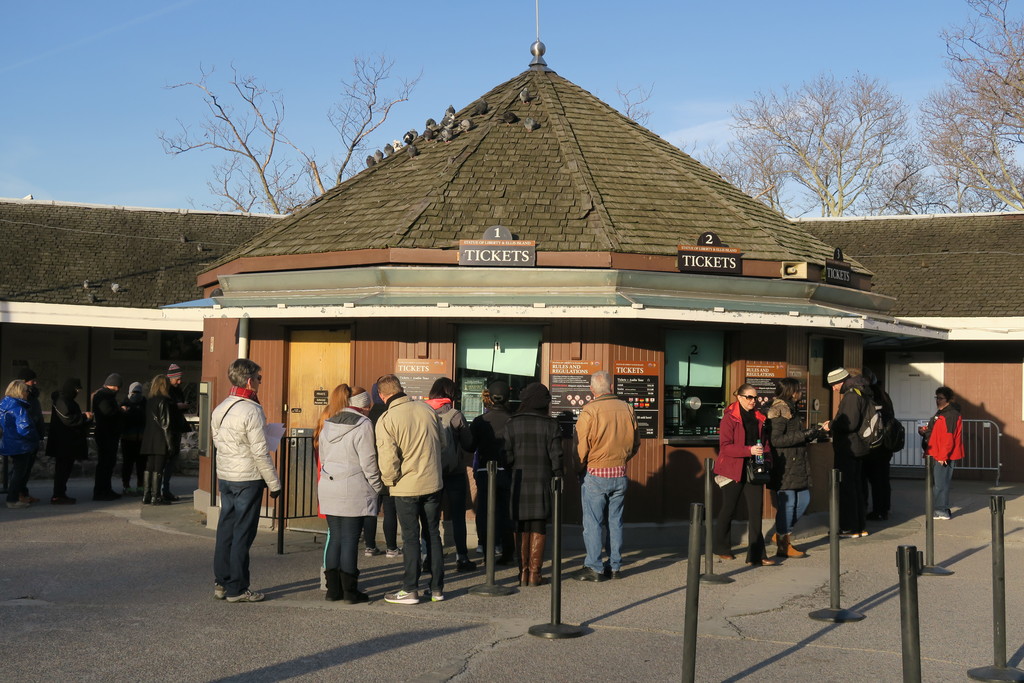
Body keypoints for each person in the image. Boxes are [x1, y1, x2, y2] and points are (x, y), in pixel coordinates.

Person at [211, 359, 282, 603]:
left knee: (226, 530)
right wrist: (274, 484)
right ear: (250, 380)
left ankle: (221, 582)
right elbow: (260, 452)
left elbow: (217, 441)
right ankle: (238, 588)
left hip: (227, 475)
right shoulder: (251, 410)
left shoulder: (221, 407)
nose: (261, 382)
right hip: (248, 478)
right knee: (242, 533)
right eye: (259, 378)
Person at [375, 374, 445, 605]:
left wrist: (390, 480)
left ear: (382, 395)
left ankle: (410, 589)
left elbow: (387, 459)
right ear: (400, 388)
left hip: (406, 486)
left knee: (411, 537)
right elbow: (442, 442)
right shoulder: (427, 410)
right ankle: (436, 589)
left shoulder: (387, 419)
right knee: (433, 534)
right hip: (433, 481)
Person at [317, 384, 382, 603]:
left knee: (335, 537)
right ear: (364, 405)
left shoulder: (329, 422)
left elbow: (324, 457)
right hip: (354, 486)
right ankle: (350, 592)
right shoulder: (363, 424)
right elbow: (368, 461)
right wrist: (377, 485)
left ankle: (332, 590)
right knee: (350, 540)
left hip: (329, 485)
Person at [574, 371, 640, 581]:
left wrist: (578, 467)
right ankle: (615, 567)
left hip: (595, 472)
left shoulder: (590, 410)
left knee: (593, 523)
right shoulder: (627, 408)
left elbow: (580, 447)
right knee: (615, 521)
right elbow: (635, 442)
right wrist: (622, 458)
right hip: (619, 471)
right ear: (611, 387)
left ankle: (594, 567)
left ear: (592, 390)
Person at [504, 382, 562, 586]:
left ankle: (522, 572)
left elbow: (507, 456)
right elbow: (557, 458)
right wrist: (558, 476)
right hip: (541, 481)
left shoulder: (512, 423)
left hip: (518, 482)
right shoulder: (551, 424)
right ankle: (534, 574)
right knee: (538, 525)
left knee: (519, 525)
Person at [713, 383, 775, 566]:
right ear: (739, 397)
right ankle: (722, 547)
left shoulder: (760, 417)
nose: (752, 401)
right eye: (749, 397)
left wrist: (767, 458)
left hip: (755, 468)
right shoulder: (729, 418)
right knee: (729, 509)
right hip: (732, 469)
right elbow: (725, 447)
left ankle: (757, 554)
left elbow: (766, 443)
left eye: (755, 397)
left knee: (756, 512)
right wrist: (749, 450)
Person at [765, 378, 827, 558]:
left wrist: (811, 432)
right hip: (785, 464)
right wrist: (803, 435)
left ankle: (781, 534)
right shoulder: (779, 410)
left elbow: (793, 435)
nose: (801, 392)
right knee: (789, 504)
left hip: (797, 462)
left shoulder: (792, 408)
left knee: (804, 500)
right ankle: (784, 542)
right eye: (798, 389)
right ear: (791, 391)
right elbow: (776, 440)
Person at [425, 377, 476, 573]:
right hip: (454, 473)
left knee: (430, 517)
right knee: (457, 517)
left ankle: (428, 557)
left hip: (429, 473)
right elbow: (469, 444)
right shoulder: (455, 415)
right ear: (450, 394)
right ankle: (462, 558)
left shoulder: (423, 411)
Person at [470, 380, 515, 563]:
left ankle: (486, 548)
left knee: (484, 511)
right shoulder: (513, 420)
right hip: (507, 470)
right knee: (506, 512)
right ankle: (507, 551)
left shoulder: (480, 421)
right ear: (507, 397)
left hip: (483, 470)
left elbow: (470, 445)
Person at [827, 367, 871, 538]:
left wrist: (831, 425)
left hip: (849, 448)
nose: (833, 389)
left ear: (841, 381)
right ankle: (860, 526)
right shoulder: (861, 392)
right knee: (857, 487)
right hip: (859, 448)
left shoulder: (851, 396)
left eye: (834, 385)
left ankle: (848, 527)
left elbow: (849, 424)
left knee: (847, 489)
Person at [919, 386, 964, 520]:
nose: (937, 400)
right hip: (937, 451)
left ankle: (941, 511)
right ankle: (942, 508)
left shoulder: (950, 415)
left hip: (942, 454)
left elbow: (948, 437)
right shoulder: (942, 413)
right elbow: (936, 431)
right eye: (936, 397)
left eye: (940, 398)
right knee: (939, 483)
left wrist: (943, 456)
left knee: (940, 484)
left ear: (948, 399)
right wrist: (925, 431)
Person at [47, 378, 93, 504]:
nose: (77, 392)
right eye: (76, 389)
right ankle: (58, 495)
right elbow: (67, 418)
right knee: (62, 469)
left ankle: (60, 493)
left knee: (64, 469)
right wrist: (84, 417)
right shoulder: (62, 400)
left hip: (67, 441)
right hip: (64, 442)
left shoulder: (66, 400)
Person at [368, 382, 400, 558]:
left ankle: (369, 546)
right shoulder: (389, 414)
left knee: (372, 508)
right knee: (389, 509)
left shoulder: (369, 415)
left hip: (371, 466)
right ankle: (391, 547)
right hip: (387, 465)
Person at [4, 368, 44, 503]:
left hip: (23, 439)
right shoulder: (20, 404)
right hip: (23, 441)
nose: (35, 383)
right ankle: (16, 496)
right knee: (20, 470)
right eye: (32, 380)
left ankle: (21, 493)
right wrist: (33, 437)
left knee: (22, 469)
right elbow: (24, 425)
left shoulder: (15, 402)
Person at [862, 368, 896, 521]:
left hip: (873, 444)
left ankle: (874, 510)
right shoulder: (884, 396)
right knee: (882, 479)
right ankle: (883, 509)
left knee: (869, 479)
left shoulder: (868, 396)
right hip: (886, 444)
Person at [140, 375, 176, 506]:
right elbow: (166, 425)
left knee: (149, 467)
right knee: (159, 468)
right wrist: (170, 444)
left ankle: (147, 495)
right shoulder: (164, 401)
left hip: (149, 437)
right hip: (160, 438)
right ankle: (156, 496)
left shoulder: (149, 400)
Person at [91, 373, 124, 501]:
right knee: (105, 464)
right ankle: (101, 491)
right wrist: (120, 410)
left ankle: (106, 489)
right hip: (106, 434)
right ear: (115, 386)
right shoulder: (104, 396)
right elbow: (107, 412)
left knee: (108, 463)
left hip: (108, 434)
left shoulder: (104, 395)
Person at [163, 363, 192, 502]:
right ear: (171, 378)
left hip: (174, 428)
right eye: (177, 379)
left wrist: (183, 406)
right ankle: (163, 490)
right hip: (168, 429)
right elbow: (165, 408)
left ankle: (165, 489)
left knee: (171, 460)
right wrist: (176, 406)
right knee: (167, 460)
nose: (179, 382)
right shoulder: (166, 391)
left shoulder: (176, 390)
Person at [119, 382, 147, 495]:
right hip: (128, 439)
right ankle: (126, 485)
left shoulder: (145, 403)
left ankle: (140, 485)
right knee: (128, 464)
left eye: (138, 392)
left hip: (141, 439)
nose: (136, 395)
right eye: (134, 392)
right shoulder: (124, 403)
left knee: (141, 465)